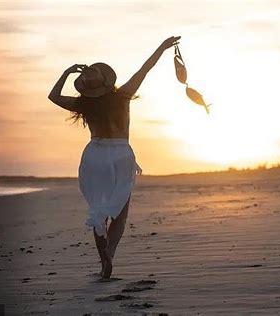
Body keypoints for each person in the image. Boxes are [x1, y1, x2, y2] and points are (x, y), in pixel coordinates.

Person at [48, 36, 181, 278]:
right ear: (107, 82)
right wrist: (162, 47)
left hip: (95, 156)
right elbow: (145, 69)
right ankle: (110, 252)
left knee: (98, 211)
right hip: (120, 153)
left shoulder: (83, 105)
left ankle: (103, 261)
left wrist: (67, 73)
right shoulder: (123, 96)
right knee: (120, 214)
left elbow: (53, 97)